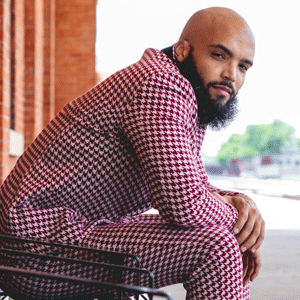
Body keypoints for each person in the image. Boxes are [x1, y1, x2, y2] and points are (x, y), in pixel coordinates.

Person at [0, 6, 264, 300]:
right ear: (182, 50)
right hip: (35, 250)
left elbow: (191, 184)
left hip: (63, 237)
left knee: (222, 237)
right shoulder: (161, 85)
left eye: (243, 66)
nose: (231, 75)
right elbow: (184, 203)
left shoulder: (185, 94)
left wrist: (241, 204)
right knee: (216, 246)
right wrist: (242, 227)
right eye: (219, 55)